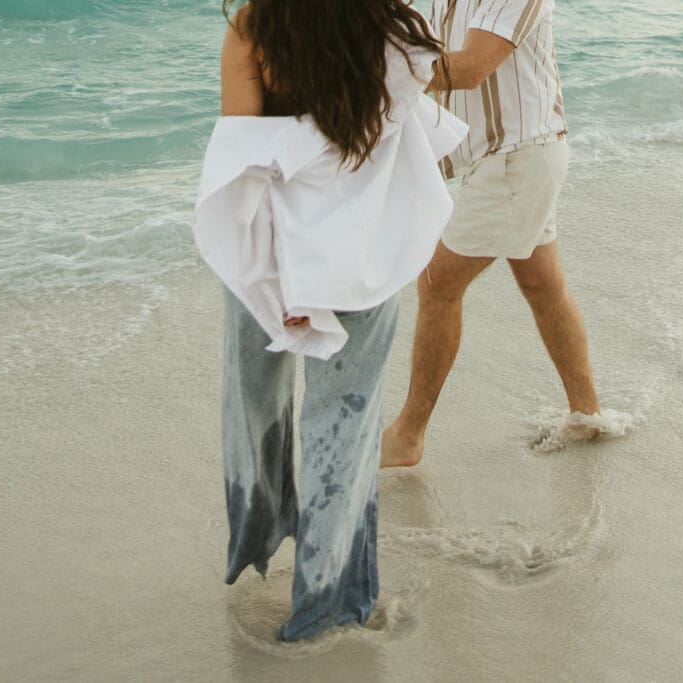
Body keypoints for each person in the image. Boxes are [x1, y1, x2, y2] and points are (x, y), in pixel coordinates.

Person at [193, 0, 465, 641]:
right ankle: (329, 600)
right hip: (363, 249)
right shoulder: (389, 26)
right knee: (345, 422)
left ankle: (260, 533)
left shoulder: (255, 27)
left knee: (253, 400)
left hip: (270, 253)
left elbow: (245, 164)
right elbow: (408, 115)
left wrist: (278, 280)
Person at [382, 0, 602, 468]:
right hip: (505, 159)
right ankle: (587, 414)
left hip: (518, 158)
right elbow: (400, 36)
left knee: (438, 284)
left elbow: (469, 69)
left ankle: (408, 436)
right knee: (544, 286)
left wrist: (377, 71)